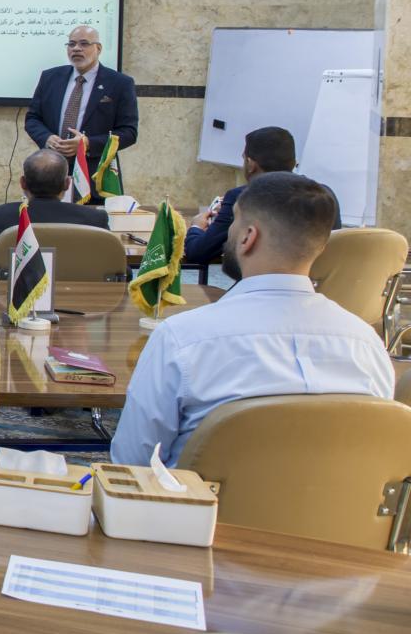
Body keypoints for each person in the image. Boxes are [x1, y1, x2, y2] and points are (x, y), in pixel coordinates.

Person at [110, 173, 393, 467]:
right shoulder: (368, 345)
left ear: (248, 237)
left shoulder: (181, 340)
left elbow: (131, 465)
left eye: (233, 221)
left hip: (201, 498)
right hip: (336, 498)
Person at [181, 126, 338, 273]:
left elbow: (199, 252)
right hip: (317, 286)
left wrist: (196, 227)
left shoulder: (244, 196)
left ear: (250, 164)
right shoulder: (324, 194)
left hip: (262, 287)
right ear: (293, 162)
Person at [0, 150, 109, 280]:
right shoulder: (95, 220)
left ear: (23, 183)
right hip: (83, 303)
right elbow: (114, 271)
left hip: (7, 302)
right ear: (67, 184)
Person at [24, 25, 138, 184]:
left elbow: (128, 132)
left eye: (84, 44)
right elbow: (33, 119)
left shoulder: (119, 83)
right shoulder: (50, 77)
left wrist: (87, 143)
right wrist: (47, 138)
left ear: (98, 48)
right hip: (50, 171)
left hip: (96, 173)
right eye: (71, 44)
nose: (76, 48)